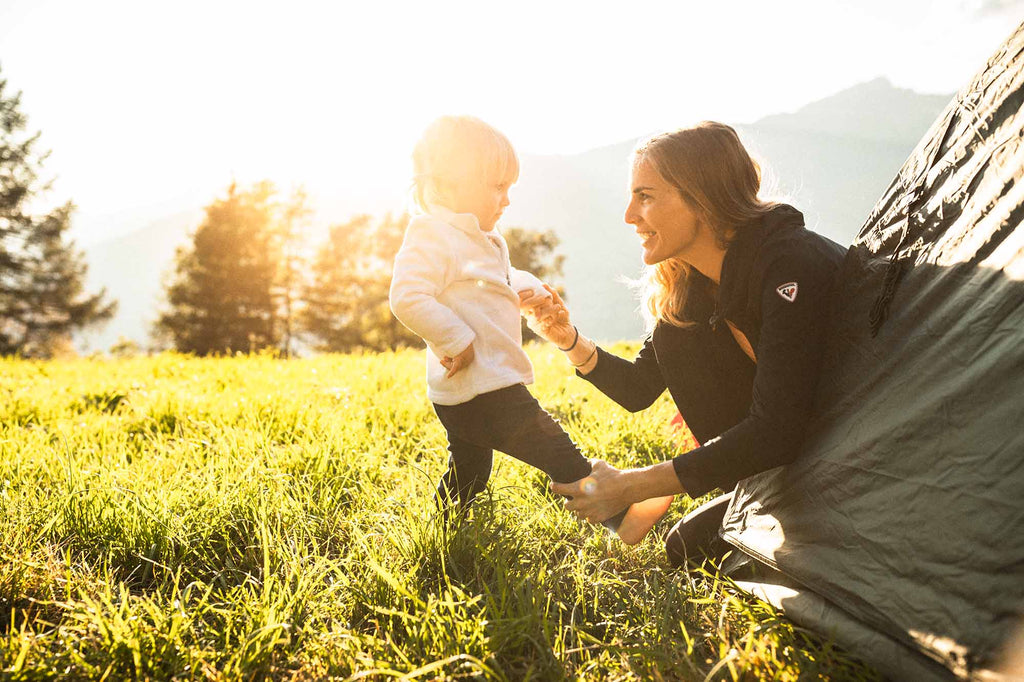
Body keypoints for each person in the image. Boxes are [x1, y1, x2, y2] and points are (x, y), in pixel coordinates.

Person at [519, 121, 847, 565]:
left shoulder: (790, 265)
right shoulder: (695, 290)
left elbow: (778, 430)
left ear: (703, 197)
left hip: (851, 459)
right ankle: (741, 490)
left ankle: (729, 497)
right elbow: (639, 388)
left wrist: (634, 484)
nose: (629, 215)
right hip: (789, 465)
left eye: (646, 196)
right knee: (686, 547)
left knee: (690, 548)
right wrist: (568, 340)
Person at [389, 115, 670, 543]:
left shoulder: (480, 236)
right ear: (448, 184)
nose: (505, 200)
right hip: (485, 384)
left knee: (468, 470)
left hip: (469, 391)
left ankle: (444, 533)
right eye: (496, 187)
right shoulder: (431, 235)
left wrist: (531, 290)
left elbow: (494, 278)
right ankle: (622, 518)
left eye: (509, 189)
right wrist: (455, 338)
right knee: (555, 447)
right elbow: (407, 297)